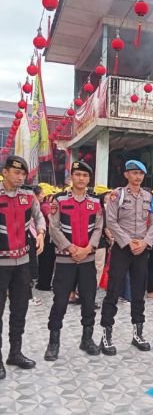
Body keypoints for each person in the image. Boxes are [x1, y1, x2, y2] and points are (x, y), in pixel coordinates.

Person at [44, 161, 102, 360]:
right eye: (77, 174)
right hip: (65, 261)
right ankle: (53, 343)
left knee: (88, 301)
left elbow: (98, 228)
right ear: (71, 177)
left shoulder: (95, 201)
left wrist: (87, 249)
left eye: (85, 175)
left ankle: (87, 339)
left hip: (87, 259)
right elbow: (54, 228)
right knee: (60, 302)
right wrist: (70, 248)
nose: (81, 178)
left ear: (89, 179)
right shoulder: (59, 200)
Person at [99, 160, 153, 355]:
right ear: (126, 175)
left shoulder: (149, 197)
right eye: (134, 173)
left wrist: (145, 242)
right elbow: (111, 221)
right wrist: (127, 242)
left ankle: (138, 334)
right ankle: (106, 335)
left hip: (141, 249)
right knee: (113, 291)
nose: (138, 177)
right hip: (122, 249)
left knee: (139, 292)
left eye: (140, 174)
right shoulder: (117, 195)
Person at [0, 156, 46, 379]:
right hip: (1, 264)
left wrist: (41, 233)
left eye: (23, 174)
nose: (20, 177)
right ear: (5, 172)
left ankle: (15, 353)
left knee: (20, 310)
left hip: (23, 263)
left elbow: (39, 217)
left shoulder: (28, 196)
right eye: (16, 173)